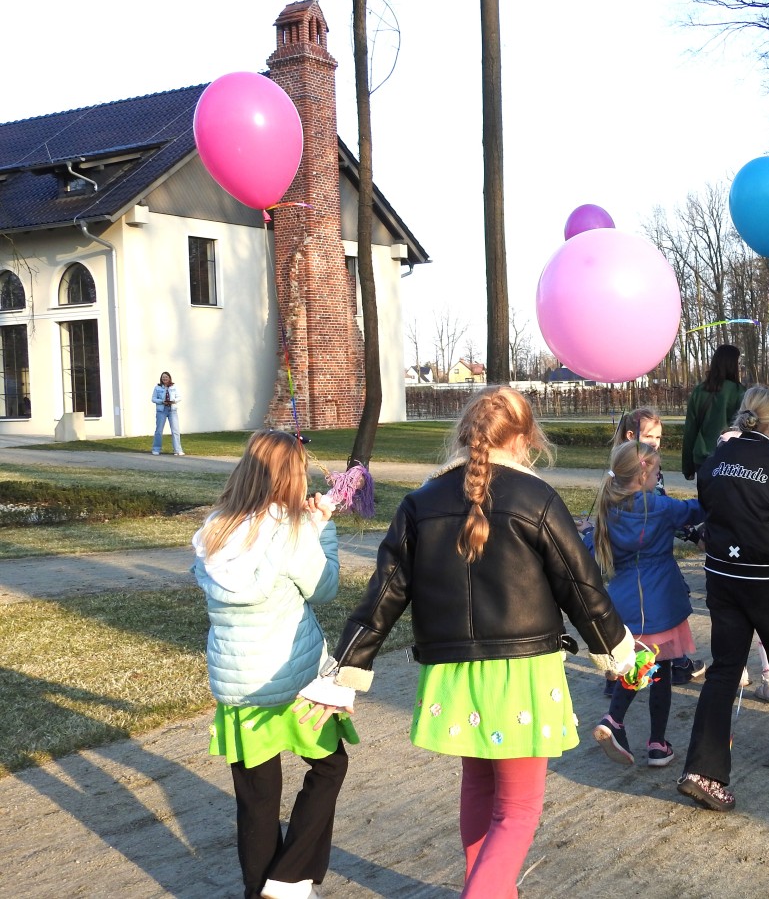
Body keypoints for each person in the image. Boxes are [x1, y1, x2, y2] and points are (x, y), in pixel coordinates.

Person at [306, 386, 635, 898]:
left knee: (479, 788)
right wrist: (617, 649)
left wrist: (346, 668)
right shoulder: (537, 498)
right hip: (523, 673)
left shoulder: (420, 503)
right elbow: (581, 585)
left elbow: (384, 593)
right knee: (519, 808)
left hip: (454, 674)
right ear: (525, 439)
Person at [192, 429, 347, 899]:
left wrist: (309, 526)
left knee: (257, 800)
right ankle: (289, 877)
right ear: (291, 476)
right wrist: (324, 527)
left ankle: (261, 888)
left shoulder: (215, 529)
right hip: (292, 680)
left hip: (238, 686)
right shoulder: (290, 529)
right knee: (329, 767)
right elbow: (325, 586)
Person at [677, 386, 769, 811]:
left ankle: (702, 769)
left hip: (722, 575)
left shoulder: (716, 460)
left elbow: (708, 505)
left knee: (724, 669)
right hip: (766, 578)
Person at [591, 439, 706, 767]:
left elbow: (589, 546)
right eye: (657, 471)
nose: (659, 477)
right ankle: (635, 731)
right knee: (658, 672)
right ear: (642, 475)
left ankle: (639, 733)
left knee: (641, 665)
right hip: (660, 601)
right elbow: (695, 510)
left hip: (625, 600)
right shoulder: (659, 507)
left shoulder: (609, 508)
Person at [612, 407, 706, 688]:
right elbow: (668, 512)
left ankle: (624, 674)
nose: (655, 442)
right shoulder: (639, 471)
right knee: (665, 607)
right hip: (652, 556)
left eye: (658, 437)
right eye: (649, 436)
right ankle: (675, 662)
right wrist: (694, 534)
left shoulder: (629, 468)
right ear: (631, 435)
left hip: (633, 562)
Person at [682, 344, 746, 481]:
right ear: (732, 364)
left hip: (702, 459)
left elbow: (690, 431)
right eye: (738, 363)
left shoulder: (699, 391)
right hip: (730, 459)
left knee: (704, 495)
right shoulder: (740, 392)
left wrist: (687, 467)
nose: (740, 368)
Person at [151, 371, 184, 456]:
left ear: (169, 378)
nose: (165, 378)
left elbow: (179, 397)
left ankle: (177, 450)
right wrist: (161, 401)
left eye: (166, 377)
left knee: (175, 430)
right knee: (159, 430)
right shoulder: (157, 388)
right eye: (163, 377)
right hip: (161, 410)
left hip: (172, 410)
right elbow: (153, 399)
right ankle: (156, 449)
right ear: (161, 379)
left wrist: (174, 401)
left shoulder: (174, 387)